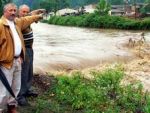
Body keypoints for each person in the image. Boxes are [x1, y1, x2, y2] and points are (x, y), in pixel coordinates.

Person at [0, 3, 43, 113]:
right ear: (4, 12)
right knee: (4, 89)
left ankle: (12, 107)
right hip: (6, 61)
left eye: (14, 10)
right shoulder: (1, 25)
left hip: (18, 59)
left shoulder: (16, 22)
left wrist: (37, 16)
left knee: (16, 86)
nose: (13, 12)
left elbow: (28, 18)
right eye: (11, 10)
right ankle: (1, 108)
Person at [17, 4, 45, 106]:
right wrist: (37, 16)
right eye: (23, 12)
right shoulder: (19, 21)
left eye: (26, 12)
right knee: (23, 73)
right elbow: (30, 17)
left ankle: (27, 90)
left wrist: (38, 10)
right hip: (22, 51)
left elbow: (30, 15)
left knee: (29, 71)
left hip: (29, 49)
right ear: (18, 12)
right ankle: (21, 96)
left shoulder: (27, 19)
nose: (25, 14)